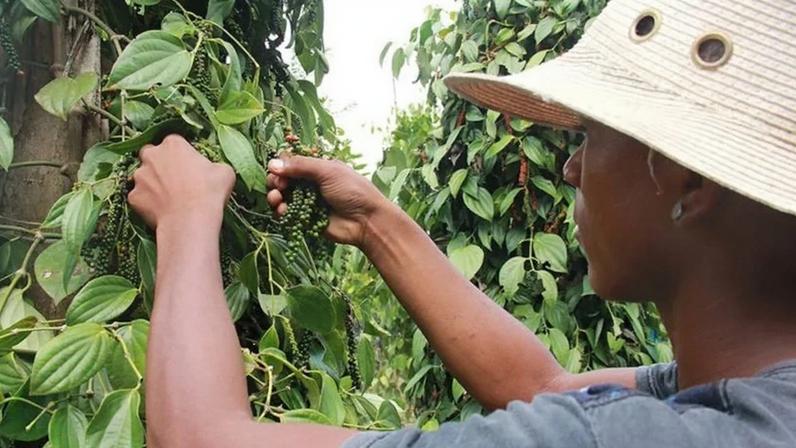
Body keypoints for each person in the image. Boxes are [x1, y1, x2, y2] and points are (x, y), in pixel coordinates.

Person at [127, 0, 796, 446]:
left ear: (691, 180)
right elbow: (538, 385)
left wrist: (186, 216)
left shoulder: (633, 437)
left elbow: (202, 438)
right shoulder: (757, 396)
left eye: (589, 136)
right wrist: (375, 224)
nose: (569, 170)